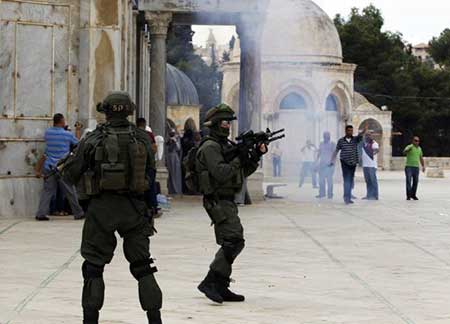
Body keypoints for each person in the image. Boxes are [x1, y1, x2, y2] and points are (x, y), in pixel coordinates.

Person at [62, 92, 163, 324]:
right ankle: (155, 320)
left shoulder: (93, 139)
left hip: (101, 209)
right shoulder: (142, 138)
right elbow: (149, 174)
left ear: (105, 111)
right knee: (143, 266)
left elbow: (70, 173)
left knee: (94, 268)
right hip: (135, 209)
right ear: (129, 110)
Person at [196, 104, 267, 304]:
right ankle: (210, 281)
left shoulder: (225, 146)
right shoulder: (210, 147)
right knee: (233, 241)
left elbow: (240, 173)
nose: (228, 126)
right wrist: (239, 157)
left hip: (227, 200)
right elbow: (221, 174)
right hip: (217, 200)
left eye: (229, 122)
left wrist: (254, 156)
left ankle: (221, 284)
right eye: (226, 122)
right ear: (216, 124)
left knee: (234, 241)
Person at [34, 113, 84, 221]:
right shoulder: (67, 135)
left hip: (49, 166)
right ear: (62, 122)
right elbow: (78, 144)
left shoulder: (48, 133)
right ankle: (78, 213)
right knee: (70, 191)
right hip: (63, 167)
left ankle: (41, 214)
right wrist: (78, 130)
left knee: (47, 191)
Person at [331, 125, 366, 204]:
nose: (350, 132)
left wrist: (364, 129)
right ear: (346, 131)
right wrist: (332, 160)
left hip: (353, 163)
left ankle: (348, 196)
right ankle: (346, 197)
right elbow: (336, 150)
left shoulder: (355, 139)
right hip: (344, 162)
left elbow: (360, 135)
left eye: (351, 130)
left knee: (350, 180)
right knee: (346, 179)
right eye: (349, 130)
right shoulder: (341, 141)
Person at [137, 118, 159, 216]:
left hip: (137, 166)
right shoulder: (149, 135)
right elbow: (154, 149)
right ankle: (152, 207)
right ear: (145, 124)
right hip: (149, 166)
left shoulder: (133, 133)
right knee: (151, 187)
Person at [404, 136, 425, 200]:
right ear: (412, 141)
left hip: (416, 167)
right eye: (415, 140)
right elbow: (404, 152)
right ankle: (408, 195)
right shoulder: (410, 146)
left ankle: (413, 195)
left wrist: (423, 166)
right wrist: (407, 150)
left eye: (418, 141)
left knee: (415, 182)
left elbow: (421, 158)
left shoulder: (419, 149)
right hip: (409, 167)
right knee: (408, 181)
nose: (417, 142)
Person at [316, 132, 335, 199]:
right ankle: (322, 193)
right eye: (325, 136)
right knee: (321, 180)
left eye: (327, 136)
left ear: (329, 137)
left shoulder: (332, 144)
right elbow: (319, 152)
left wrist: (332, 162)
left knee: (329, 180)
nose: (326, 137)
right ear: (323, 136)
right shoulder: (321, 144)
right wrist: (316, 161)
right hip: (322, 164)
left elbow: (334, 154)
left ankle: (330, 194)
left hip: (329, 165)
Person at [361, 131, 379, 200]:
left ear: (371, 136)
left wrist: (372, 153)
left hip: (372, 165)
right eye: (366, 135)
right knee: (368, 181)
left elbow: (376, 150)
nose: (367, 136)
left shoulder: (374, 143)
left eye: (369, 135)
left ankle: (375, 195)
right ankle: (368, 195)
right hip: (365, 165)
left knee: (373, 180)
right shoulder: (364, 144)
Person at [165, 128, 182, 195]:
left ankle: (177, 190)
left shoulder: (176, 139)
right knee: (170, 174)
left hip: (174, 157)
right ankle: (171, 189)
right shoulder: (168, 139)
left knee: (176, 174)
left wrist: (174, 141)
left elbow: (178, 148)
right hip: (169, 157)